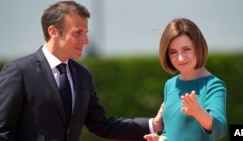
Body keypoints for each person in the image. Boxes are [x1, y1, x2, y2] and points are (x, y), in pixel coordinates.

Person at [0, 1, 164, 141]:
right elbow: (2, 131)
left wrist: (153, 124)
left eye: (85, 33)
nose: (85, 41)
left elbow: (101, 124)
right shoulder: (18, 71)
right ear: (53, 32)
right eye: (78, 33)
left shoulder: (82, 74)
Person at [144, 18, 227, 141]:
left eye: (186, 49)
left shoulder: (213, 85)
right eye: (173, 52)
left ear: (199, 47)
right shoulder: (170, 84)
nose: (180, 58)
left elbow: (219, 130)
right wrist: (161, 139)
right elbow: (170, 131)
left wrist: (198, 112)